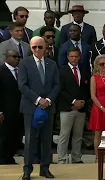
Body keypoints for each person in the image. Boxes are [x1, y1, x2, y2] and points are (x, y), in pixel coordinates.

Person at [18, 36, 60, 180]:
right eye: (34, 47)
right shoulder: (24, 63)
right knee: (30, 141)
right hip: (30, 108)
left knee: (46, 140)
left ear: (45, 48)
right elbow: (22, 86)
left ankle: (45, 169)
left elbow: (57, 85)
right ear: (30, 48)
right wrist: (38, 100)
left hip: (48, 108)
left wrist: (47, 100)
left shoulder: (52, 64)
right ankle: (27, 171)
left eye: (40, 47)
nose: (37, 50)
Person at [57, 47, 90, 164]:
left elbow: (87, 89)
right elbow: (61, 90)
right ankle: (61, 159)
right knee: (64, 135)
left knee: (78, 135)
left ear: (79, 57)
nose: (74, 59)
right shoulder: (62, 70)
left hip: (81, 108)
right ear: (67, 57)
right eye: (71, 56)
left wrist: (82, 102)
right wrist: (73, 102)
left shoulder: (84, 70)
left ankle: (76, 158)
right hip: (67, 108)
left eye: (76, 56)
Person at [0, 50, 23, 165]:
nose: (17, 59)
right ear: (7, 57)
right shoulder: (1, 71)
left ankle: (10, 157)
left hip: (18, 110)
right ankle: (3, 159)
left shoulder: (20, 71)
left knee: (15, 135)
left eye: (18, 57)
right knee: (4, 136)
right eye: (14, 57)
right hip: (5, 110)